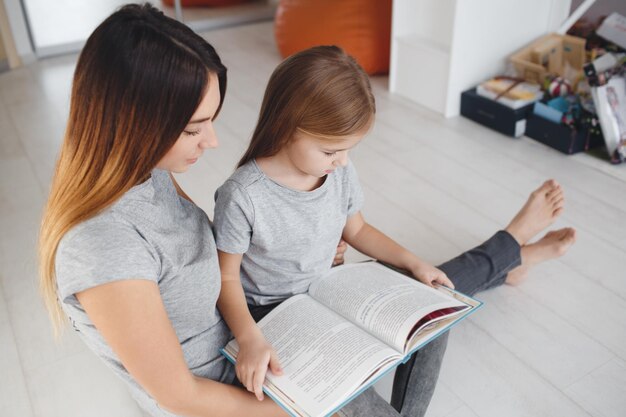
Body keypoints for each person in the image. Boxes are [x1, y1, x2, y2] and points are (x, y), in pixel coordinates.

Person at [37, 4, 576, 417]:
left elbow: (218, 265)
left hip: (269, 332)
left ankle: (509, 255)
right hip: (243, 387)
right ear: (132, 121)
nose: (214, 142)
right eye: (194, 128)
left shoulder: (149, 175)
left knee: (428, 296)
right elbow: (181, 396)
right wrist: (295, 404)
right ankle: (510, 255)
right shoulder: (104, 244)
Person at [212, 46, 577, 407]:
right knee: (348, 393)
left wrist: (413, 262)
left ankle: (510, 260)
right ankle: (509, 258)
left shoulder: (337, 171)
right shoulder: (243, 196)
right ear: (287, 126)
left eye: (350, 149)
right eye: (331, 151)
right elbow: (226, 279)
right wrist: (249, 338)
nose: (342, 161)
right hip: (272, 314)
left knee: (433, 308)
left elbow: (358, 230)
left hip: (330, 291)